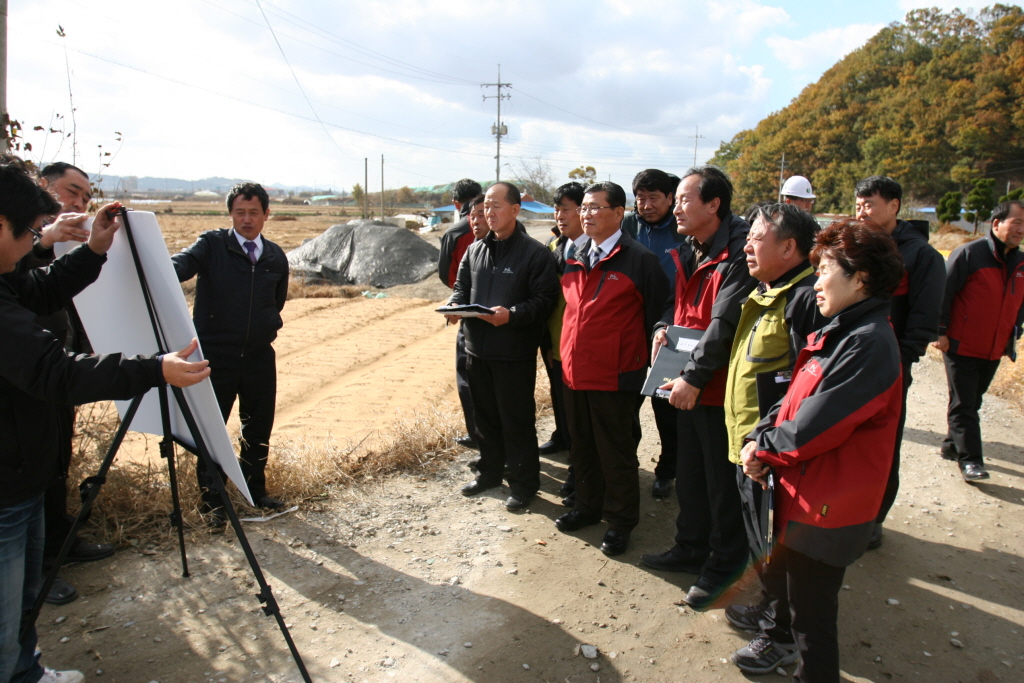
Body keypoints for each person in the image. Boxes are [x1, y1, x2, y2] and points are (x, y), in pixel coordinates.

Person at [0, 159, 210, 683]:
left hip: (22, 473)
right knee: (4, 614)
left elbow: (44, 289)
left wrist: (95, 249)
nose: (34, 242)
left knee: (26, 599)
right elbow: (57, 373)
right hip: (4, 483)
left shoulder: (5, 279)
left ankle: (26, 672)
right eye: (27, 231)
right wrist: (155, 368)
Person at [737, 218, 904, 681]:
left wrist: (763, 450)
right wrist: (759, 435)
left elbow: (818, 425)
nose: (816, 281)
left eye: (826, 268)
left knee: (813, 621)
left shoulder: (869, 343)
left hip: (829, 509)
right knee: (797, 602)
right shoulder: (838, 331)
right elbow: (793, 401)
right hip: (805, 499)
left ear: (861, 278)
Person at [640, 165, 757, 609]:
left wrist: (693, 377)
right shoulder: (691, 246)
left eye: (685, 199)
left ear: (714, 204)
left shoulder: (738, 253)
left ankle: (724, 566)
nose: (676, 207)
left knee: (720, 482)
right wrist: (662, 326)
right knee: (689, 473)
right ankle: (690, 547)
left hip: (718, 385)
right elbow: (677, 303)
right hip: (686, 378)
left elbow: (723, 325)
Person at [720, 202, 826, 673]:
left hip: (773, 454)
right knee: (760, 541)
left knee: (775, 542)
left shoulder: (804, 299)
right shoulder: (767, 290)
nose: (746, 244)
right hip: (750, 446)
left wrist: (769, 445)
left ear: (789, 247)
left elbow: (806, 387)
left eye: (757, 237)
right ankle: (771, 610)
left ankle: (780, 636)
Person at [554, 182, 670, 556]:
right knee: (582, 447)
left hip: (616, 376)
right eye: (583, 208)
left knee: (615, 452)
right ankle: (587, 507)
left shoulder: (638, 260)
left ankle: (621, 522)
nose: (585, 214)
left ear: (619, 213)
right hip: (574, 372)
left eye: (594, 208)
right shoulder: (573, 254)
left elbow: (657, 315)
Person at [15, 163, 109, 607]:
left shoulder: (43, 249)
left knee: (55, 460)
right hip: (25, 383)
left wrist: (90, 248)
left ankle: (56, 545)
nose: (78, 204)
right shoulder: (23, 246)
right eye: (72, 192)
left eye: (86, 198)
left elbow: (49, 293)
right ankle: (33, 578)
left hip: (51, 376)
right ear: (43, 188)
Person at [172, 182, 289, 527]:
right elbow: (178, 267)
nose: (247, 220)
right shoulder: (212, 246)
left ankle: (255, 492)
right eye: (240, 212)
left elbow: (276, 302)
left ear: (266, 214)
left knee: (258, 427)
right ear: (230, 214)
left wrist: (263, 327)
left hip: (258, 356)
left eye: (254, 213)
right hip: (216, 358)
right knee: (212, 430)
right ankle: (213, 503)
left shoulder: (275, 256)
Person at [446, 182, 558, 510]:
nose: (488, 213)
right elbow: (461, 286)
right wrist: (454, 307)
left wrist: (512, 315)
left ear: (514, 209)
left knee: (516, 420)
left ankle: (524, 485)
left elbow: (544, 300)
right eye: (484, 208)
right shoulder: (475, 250)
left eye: (496, 206)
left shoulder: (535, 254)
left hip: (514, 352)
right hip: (476, 348)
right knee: (484, 419)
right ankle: (489, 473)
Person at [854, 176, 945, 548]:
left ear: (894, 206)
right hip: (849, 360)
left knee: (881, 443)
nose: (861, 211)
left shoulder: (921, 255)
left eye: (869, 204)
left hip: (890, 367)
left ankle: (873, 520)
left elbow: (922, 321)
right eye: (858, 204)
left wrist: (901, 363)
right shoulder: (857, 245)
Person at [933, 200, 1024, 481]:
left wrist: (1015, 330)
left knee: (972, 400)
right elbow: (944, 294)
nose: (1021, 229)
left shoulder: (1021, 263)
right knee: (965, 404)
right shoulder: (969, 254)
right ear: (996, 224)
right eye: (1016, 222)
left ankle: (952, 445)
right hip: (961, 344)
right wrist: (940, 331)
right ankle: (970, 461)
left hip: (995, 346)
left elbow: (1019, 303)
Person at [620, 169, 684, 498]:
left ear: (670, 199)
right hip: (630, 325)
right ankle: (624, 462)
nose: (645, 205)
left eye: (654, 198)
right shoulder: (626, 228)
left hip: (670, 328)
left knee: (665, 403)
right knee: (627, 398)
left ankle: (668, 468)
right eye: (640, 198)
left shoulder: (683, 230)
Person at [539, 182, 587, 464]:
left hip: (580, 345)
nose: (559, 216)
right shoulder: (554, 245)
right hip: (554, 340)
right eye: (557, 210)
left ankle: (579, 459)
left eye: (565, 210)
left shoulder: (595, 251)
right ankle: (562, 436)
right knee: (558, 394)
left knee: (580, 408)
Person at [437, 179, 484, 450]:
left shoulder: (455, 232)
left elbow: (447, 275)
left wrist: (461, 296)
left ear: (457, 204)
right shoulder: (513, 228)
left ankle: (477, 435)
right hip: (503, 314)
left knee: (468, 377)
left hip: (468, 314)